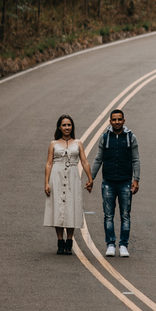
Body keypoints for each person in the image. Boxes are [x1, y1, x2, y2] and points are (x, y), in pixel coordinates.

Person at [89, 108, 140, 257]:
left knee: (125, 215)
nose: (117, 122)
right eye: (114, 120)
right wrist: (91, 178)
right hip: (108, 183)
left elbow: (136, 159)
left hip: (125, 183)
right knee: (108, 215)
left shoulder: (131, 138)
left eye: (119, 119)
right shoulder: (104, 138)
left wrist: (136, 179)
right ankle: (110, 244)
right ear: (110, 121)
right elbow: (98, 159)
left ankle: (123, 245)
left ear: (124, 121)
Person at [44, 114, 94, 255]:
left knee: (72, 207)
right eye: (64, 125)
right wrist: (46, 182)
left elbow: (84, 161)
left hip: (72, 176)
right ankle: (60, 241)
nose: (67, 127)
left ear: (72, 127)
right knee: (58, 208)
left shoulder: (78, 143)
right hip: (57, 176)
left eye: (69, 125)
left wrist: (90, 178)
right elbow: (49, 164)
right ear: (59, 127)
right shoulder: (53, 144)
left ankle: (69, 241)